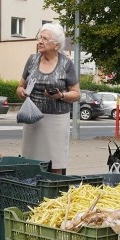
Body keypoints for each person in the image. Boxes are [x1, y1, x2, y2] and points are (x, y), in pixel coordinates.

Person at [15, 23, 80, 175]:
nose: (40, 41)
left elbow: (76, 94)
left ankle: (54, 191)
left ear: (56, 45)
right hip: (33, 119)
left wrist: (61, 95)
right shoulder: (32, 60)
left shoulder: (66, 64)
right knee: (30, 160)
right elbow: (19, 87)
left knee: (55, 161)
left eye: (45, 38)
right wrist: (22, 92)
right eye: (40, 37)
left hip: (56, 121)